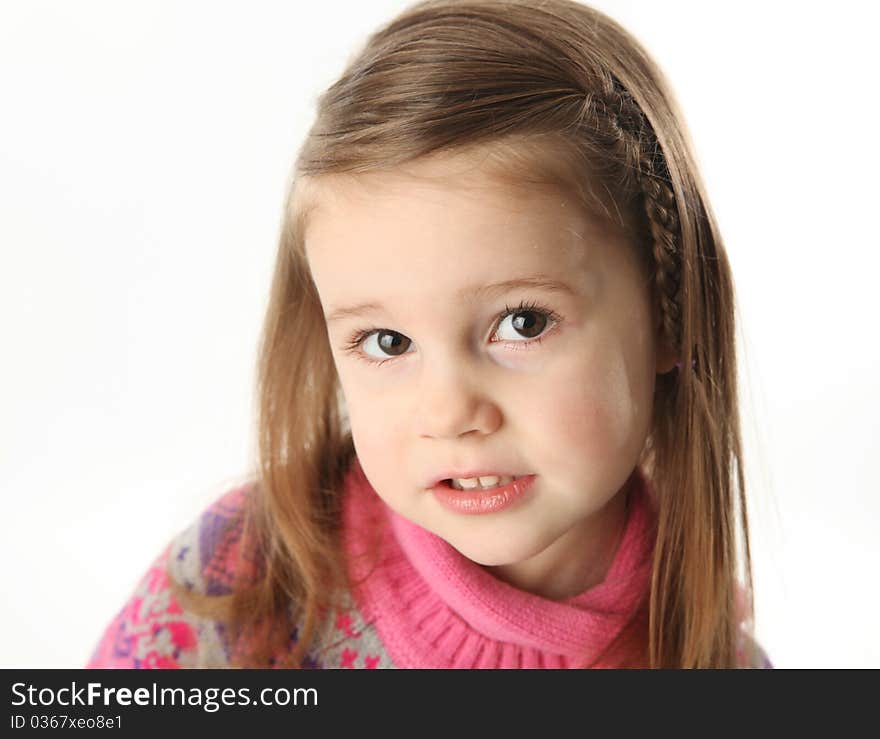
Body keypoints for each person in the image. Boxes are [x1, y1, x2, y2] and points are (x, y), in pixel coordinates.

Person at [87, 0, 772, 669]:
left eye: (522, 323)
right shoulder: (240, 579)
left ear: (670, 311)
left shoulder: (711, 656)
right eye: (388, 341)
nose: (449, 412)